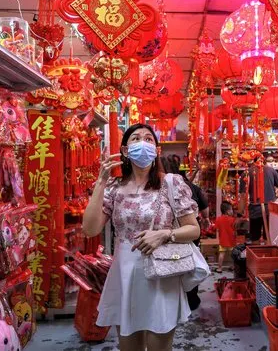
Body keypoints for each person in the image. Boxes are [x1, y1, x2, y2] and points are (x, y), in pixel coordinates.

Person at [82, 123, 200, 351]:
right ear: (125, 150)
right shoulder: (114, 187)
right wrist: (101, 181)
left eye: (148, 139)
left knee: (159, 346)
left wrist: (165, 235)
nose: (142, 143)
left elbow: (193, 229)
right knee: (129, 346)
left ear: (156, 150)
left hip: (162, 273)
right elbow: (90, 229)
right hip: (125, 274)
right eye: (136, 139)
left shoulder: (171, 183)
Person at [167, 154, 208, 310]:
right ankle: (191, 298)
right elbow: (205, 211)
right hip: (189, 232)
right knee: (188, 261)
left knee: (172, 262)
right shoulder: (191, 186)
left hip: (169, 234)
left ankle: (176, 298)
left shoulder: (159, 185)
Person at [240, 155, 278, 244]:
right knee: (268, 237)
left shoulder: (246, 173)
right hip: (270, 210)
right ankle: (269, 256)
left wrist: (239, 215)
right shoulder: (271, 170)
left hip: (254, 210)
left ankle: (258, 256)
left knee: (255, 239)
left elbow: (243, 196)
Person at [214, 202, 237, 273]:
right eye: (231, 210)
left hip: (223, 240)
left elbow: (217, 229)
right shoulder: (233, 220)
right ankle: (234, 266)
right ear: (227, 211)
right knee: (233, 255)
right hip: (232, 241)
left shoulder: (218, 219)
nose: (232, 211)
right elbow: (235, 230)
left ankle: (219, 268)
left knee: (221, 254)